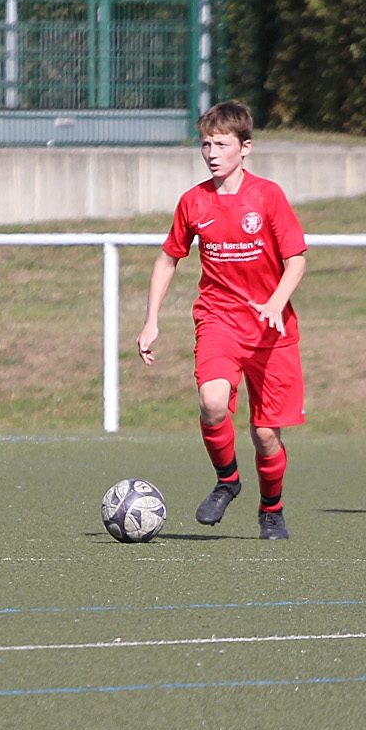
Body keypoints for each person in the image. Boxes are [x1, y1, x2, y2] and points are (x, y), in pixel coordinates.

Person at [136, 101, 308, 540]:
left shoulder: (268, 196)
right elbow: (168, 259)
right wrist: (151, 319)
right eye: (206, 144)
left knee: (266, 434)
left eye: (222, 144)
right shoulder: (193, 202)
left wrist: (274, 302)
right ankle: (227, 479)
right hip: (219, 321)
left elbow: (296, 261)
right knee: (212, 404)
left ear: (245, 148)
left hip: (272, 332)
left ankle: (271, 508)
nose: (212, 153)